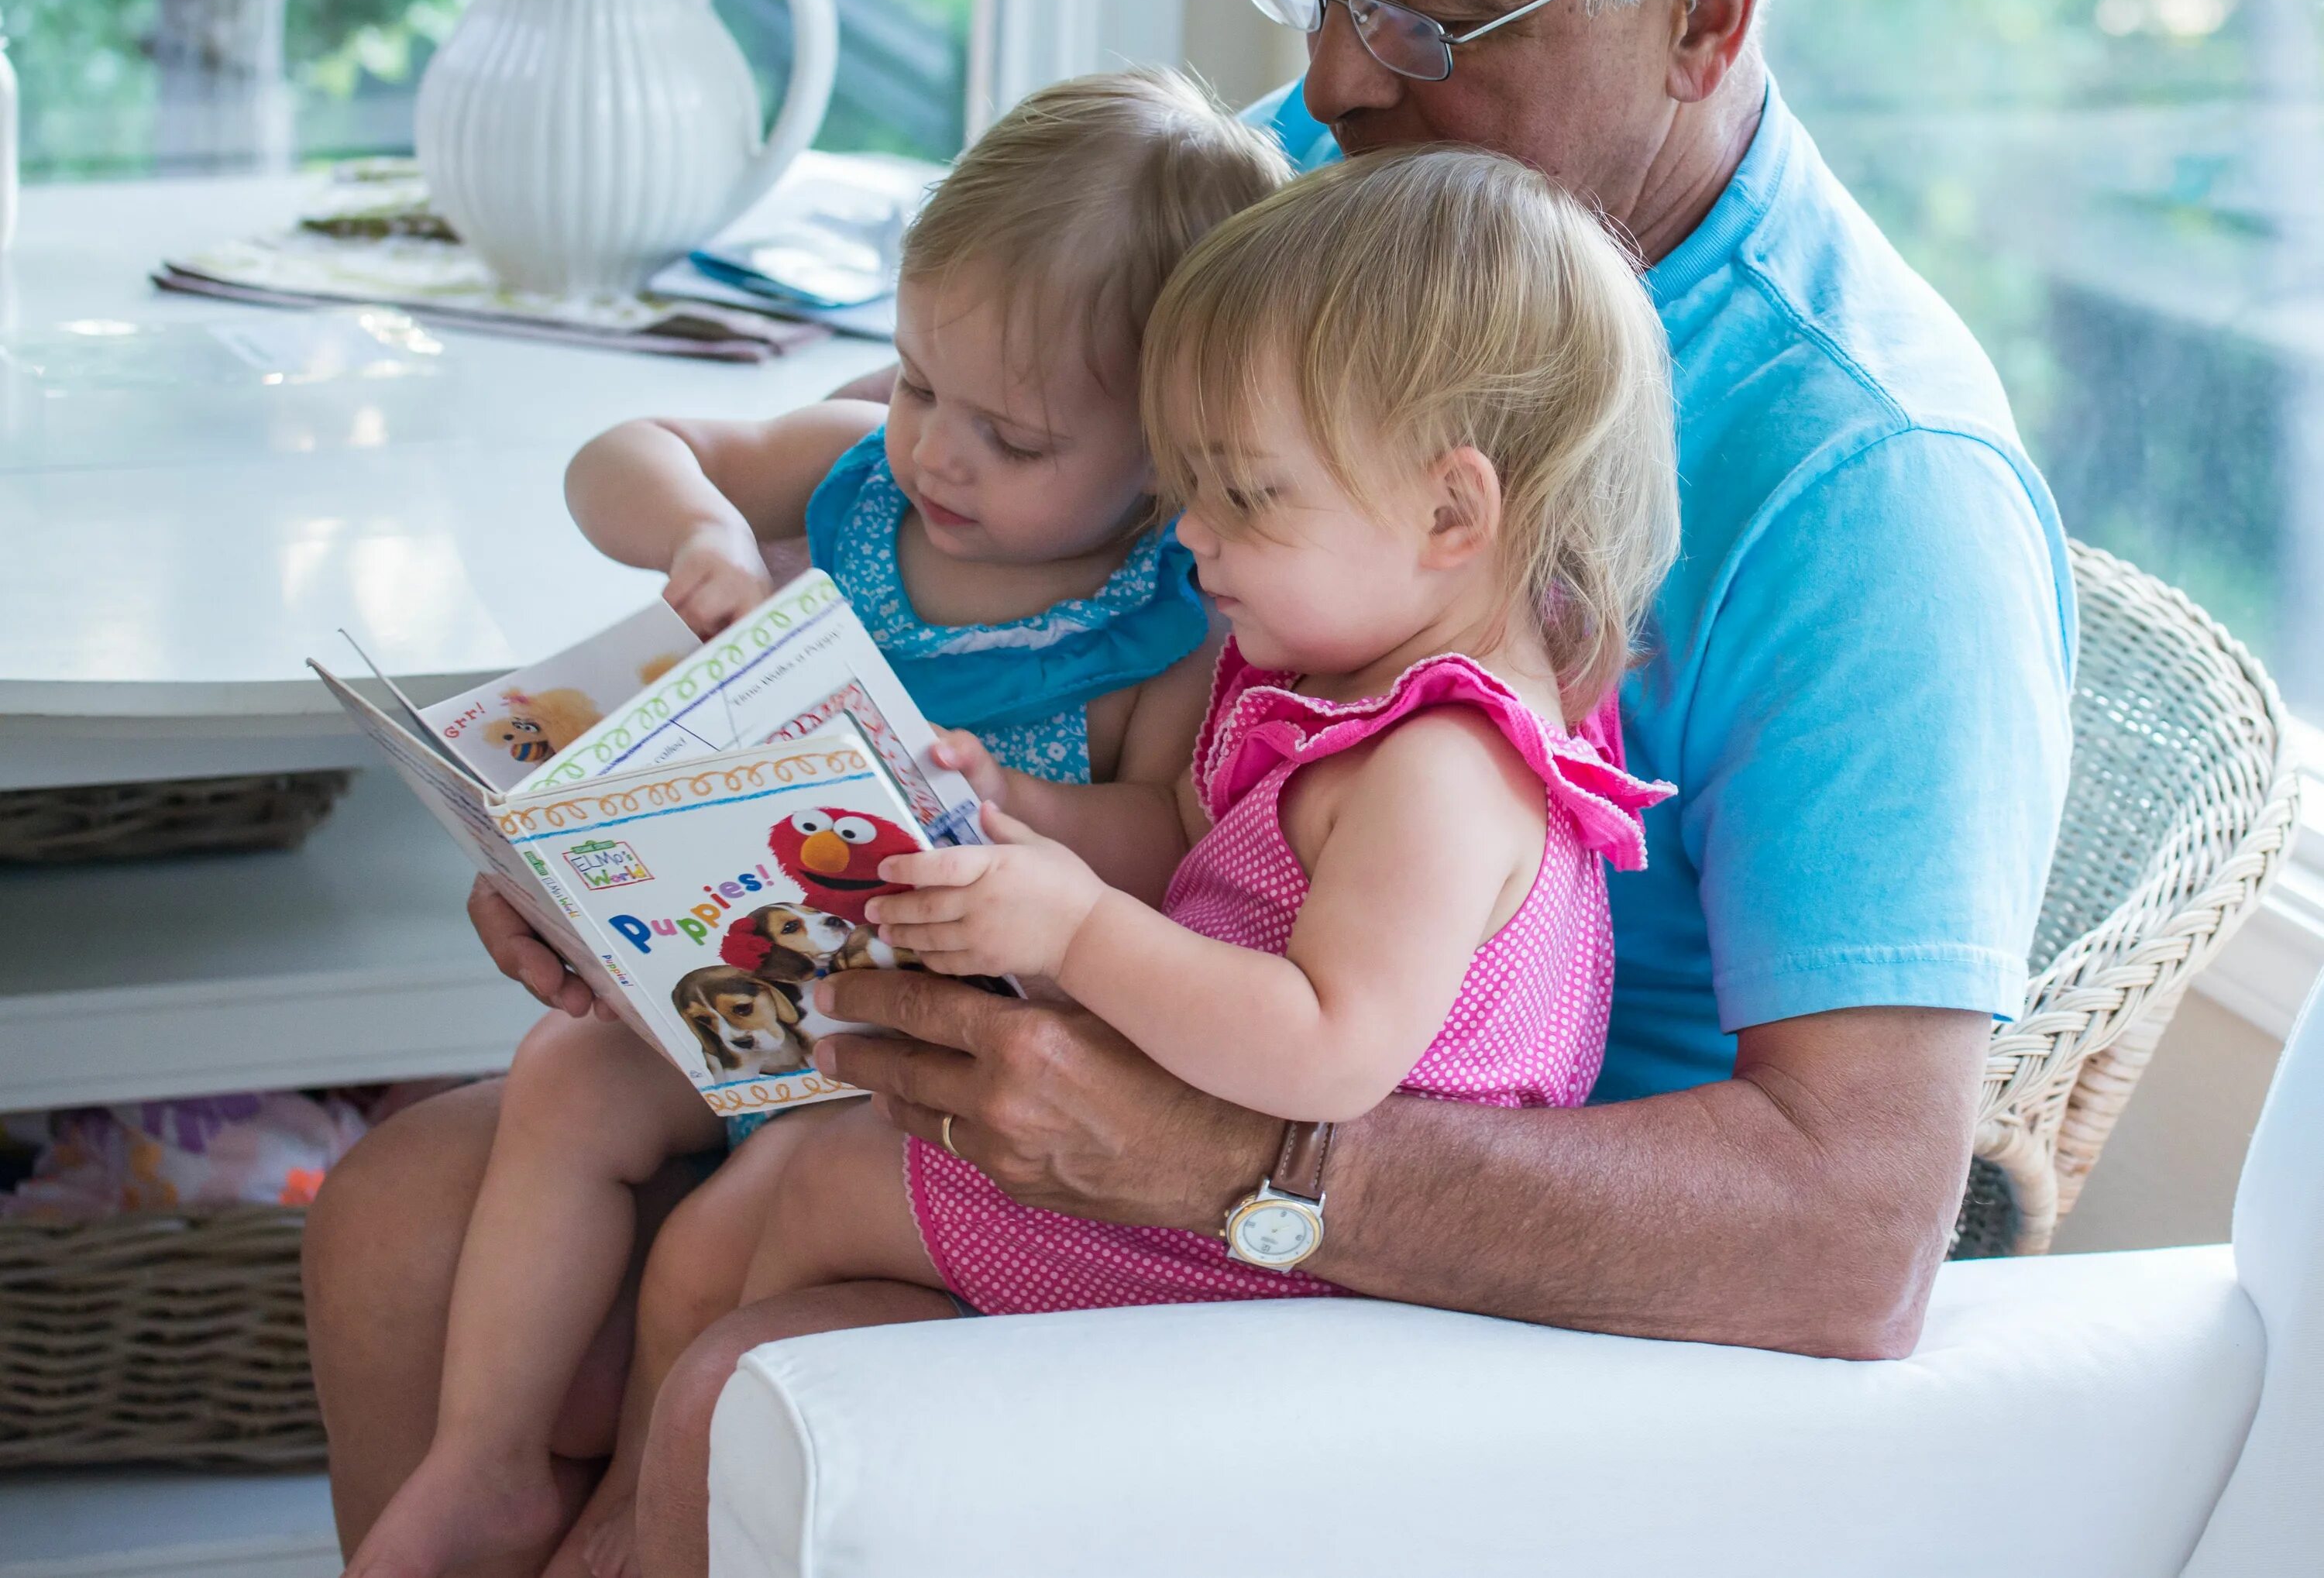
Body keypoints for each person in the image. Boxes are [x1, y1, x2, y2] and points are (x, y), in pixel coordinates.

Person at [305, 0, 2075, 1567]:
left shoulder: (1873, 487)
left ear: (1702, 15)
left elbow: (1854, 1240)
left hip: (1479, 1290)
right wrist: (649, 839)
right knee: (399, 1222)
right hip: (1076, 1005)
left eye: (1425, 9)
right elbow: (939, 463)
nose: (1332, 76)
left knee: (759, 1391)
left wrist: (1242, 1161)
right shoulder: (1323, 201)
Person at [593, 144, 1677, 1574]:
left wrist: (1074, 935)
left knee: (798, 1197)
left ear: (1451, 513)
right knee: (741, 1230)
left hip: (1288, 1274)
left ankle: (626, 1533)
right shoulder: (1350, 673)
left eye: (1243, 497)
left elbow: (1332, 1052)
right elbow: (1191, 838)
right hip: (1219, 1208)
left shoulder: (1441, 771)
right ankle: (625, 1515)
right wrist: (1032, 819)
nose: (1189, 536)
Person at [332, 68, 1288, 1578]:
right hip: (746, 979)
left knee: (764, 1216)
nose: (938, 451)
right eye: (916, 381)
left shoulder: (1169, 626)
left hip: (922, 1045)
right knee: (568, 1078)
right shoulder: (855, 486)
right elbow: (623, 455)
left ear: (1174, 446)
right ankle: (490, 1460)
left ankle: (637, 1514)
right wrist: (705, 528)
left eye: (1014, 436)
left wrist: (1025, 808)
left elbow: (1174, 843)